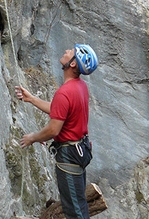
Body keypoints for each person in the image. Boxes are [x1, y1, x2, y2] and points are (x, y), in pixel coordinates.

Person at [15, 44, 98, 219]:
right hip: (80, 150)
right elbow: (59, 111)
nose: (67, 50)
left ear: (73, 64)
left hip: (69, 155)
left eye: (72, 52)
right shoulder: (80, 87)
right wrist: (32, 99)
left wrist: (33, 138)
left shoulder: (65, 92)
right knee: (78, 205)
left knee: (74, 211)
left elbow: (53, 129)